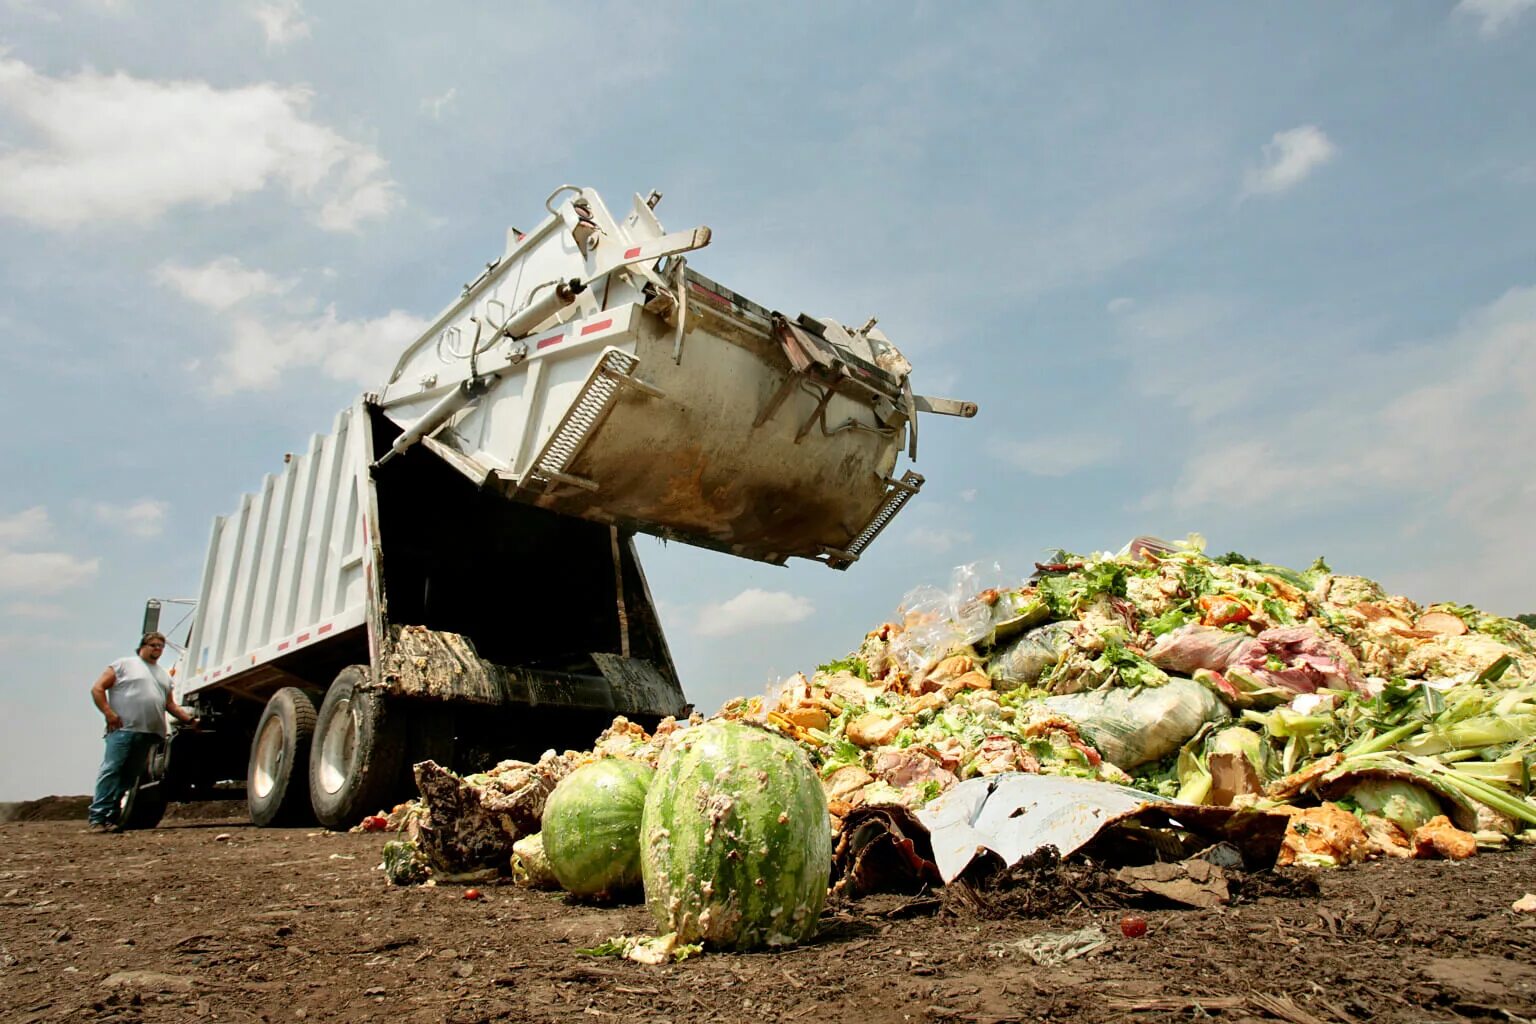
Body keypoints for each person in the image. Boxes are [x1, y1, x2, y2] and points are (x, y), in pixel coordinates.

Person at [86, 631, 198, 832]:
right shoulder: (123, 665)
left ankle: (112, 817)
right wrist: (108, 713)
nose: (157, 649)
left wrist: (189, 719)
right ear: (143, 646)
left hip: (149, 733)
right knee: (112, 770)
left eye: (160, 646)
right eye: (153, 645)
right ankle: (98, 817)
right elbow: (97, 688)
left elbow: (169, 704)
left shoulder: (163, 675)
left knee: (129, 777)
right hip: (123, 730)